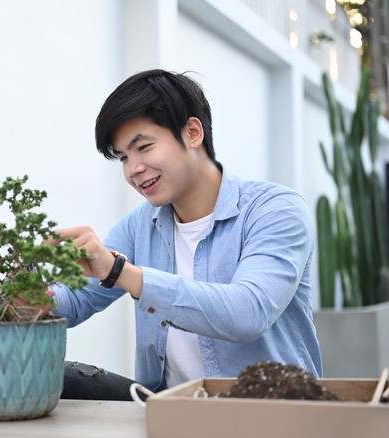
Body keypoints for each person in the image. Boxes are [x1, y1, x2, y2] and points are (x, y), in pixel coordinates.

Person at [44, 69, 322, 401]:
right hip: (168, 409)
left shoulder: (275, 210)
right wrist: (29, 293)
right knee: (55, 377)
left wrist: (120, 271)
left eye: (143, 147)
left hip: (268, 412)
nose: (133, 170)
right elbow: (75, 302)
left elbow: (249, 313)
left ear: (192, 132)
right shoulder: (139, 225)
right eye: (123, 158)